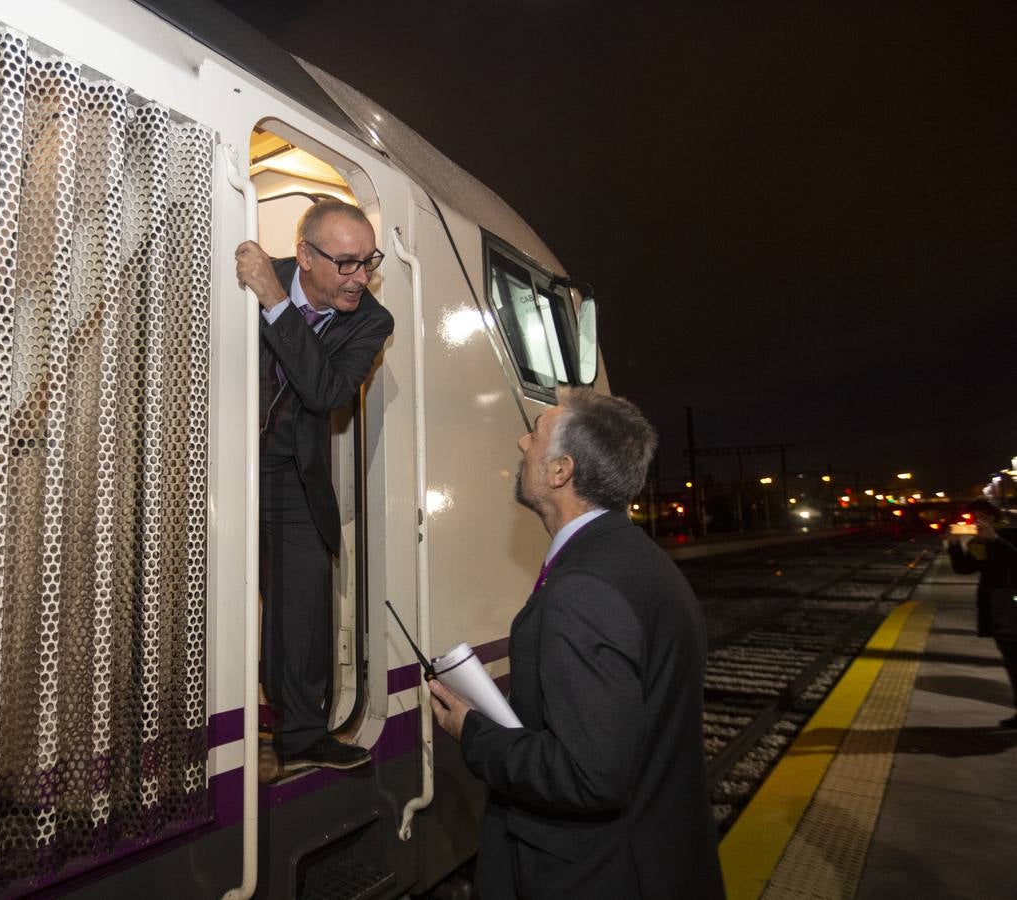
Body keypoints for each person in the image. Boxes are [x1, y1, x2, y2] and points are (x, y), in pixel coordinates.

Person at [429, 387, 724, 899]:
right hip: (652, 859)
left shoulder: (583, 591)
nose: (522, 443)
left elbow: (588, 777)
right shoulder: (640, 561)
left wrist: (471, 730)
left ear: (560, 471)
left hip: (594, 876)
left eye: (536, 435)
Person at [235, 200, 394, 771]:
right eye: (346, 263)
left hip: (291, 476)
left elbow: (326, 392)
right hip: (217, 465)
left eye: (367, 263)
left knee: (301, 606)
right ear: (304, 255)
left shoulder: (371, 321)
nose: (360, 278)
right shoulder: (250, 274)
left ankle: (302, 735)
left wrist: (276, 306)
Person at [946, 499, 1017, 728]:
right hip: (998, 607)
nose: (979, 521)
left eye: (983, 516)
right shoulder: (980, 540)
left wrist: (995, 540)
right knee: (1011, 660)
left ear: (994, 516)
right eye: (975, 517)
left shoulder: (1011, 532)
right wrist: (954, 544)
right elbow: (964, 568)